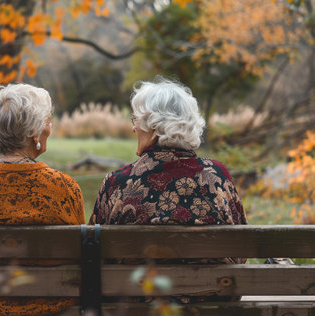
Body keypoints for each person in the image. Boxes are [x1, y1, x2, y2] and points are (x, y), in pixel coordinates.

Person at [89, 77, 247, 302]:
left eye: (136, 120)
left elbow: (96, 257)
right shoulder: (217, 177)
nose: (133, 127)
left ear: (152, 127)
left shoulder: (117, 183)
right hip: (212, 315)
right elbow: (240, 252)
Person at [0, 83, 85, 316]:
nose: (50, 128)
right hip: (53, 306)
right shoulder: (65, 187)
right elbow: (80, 254)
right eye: (48, 122)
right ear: (35, 132)